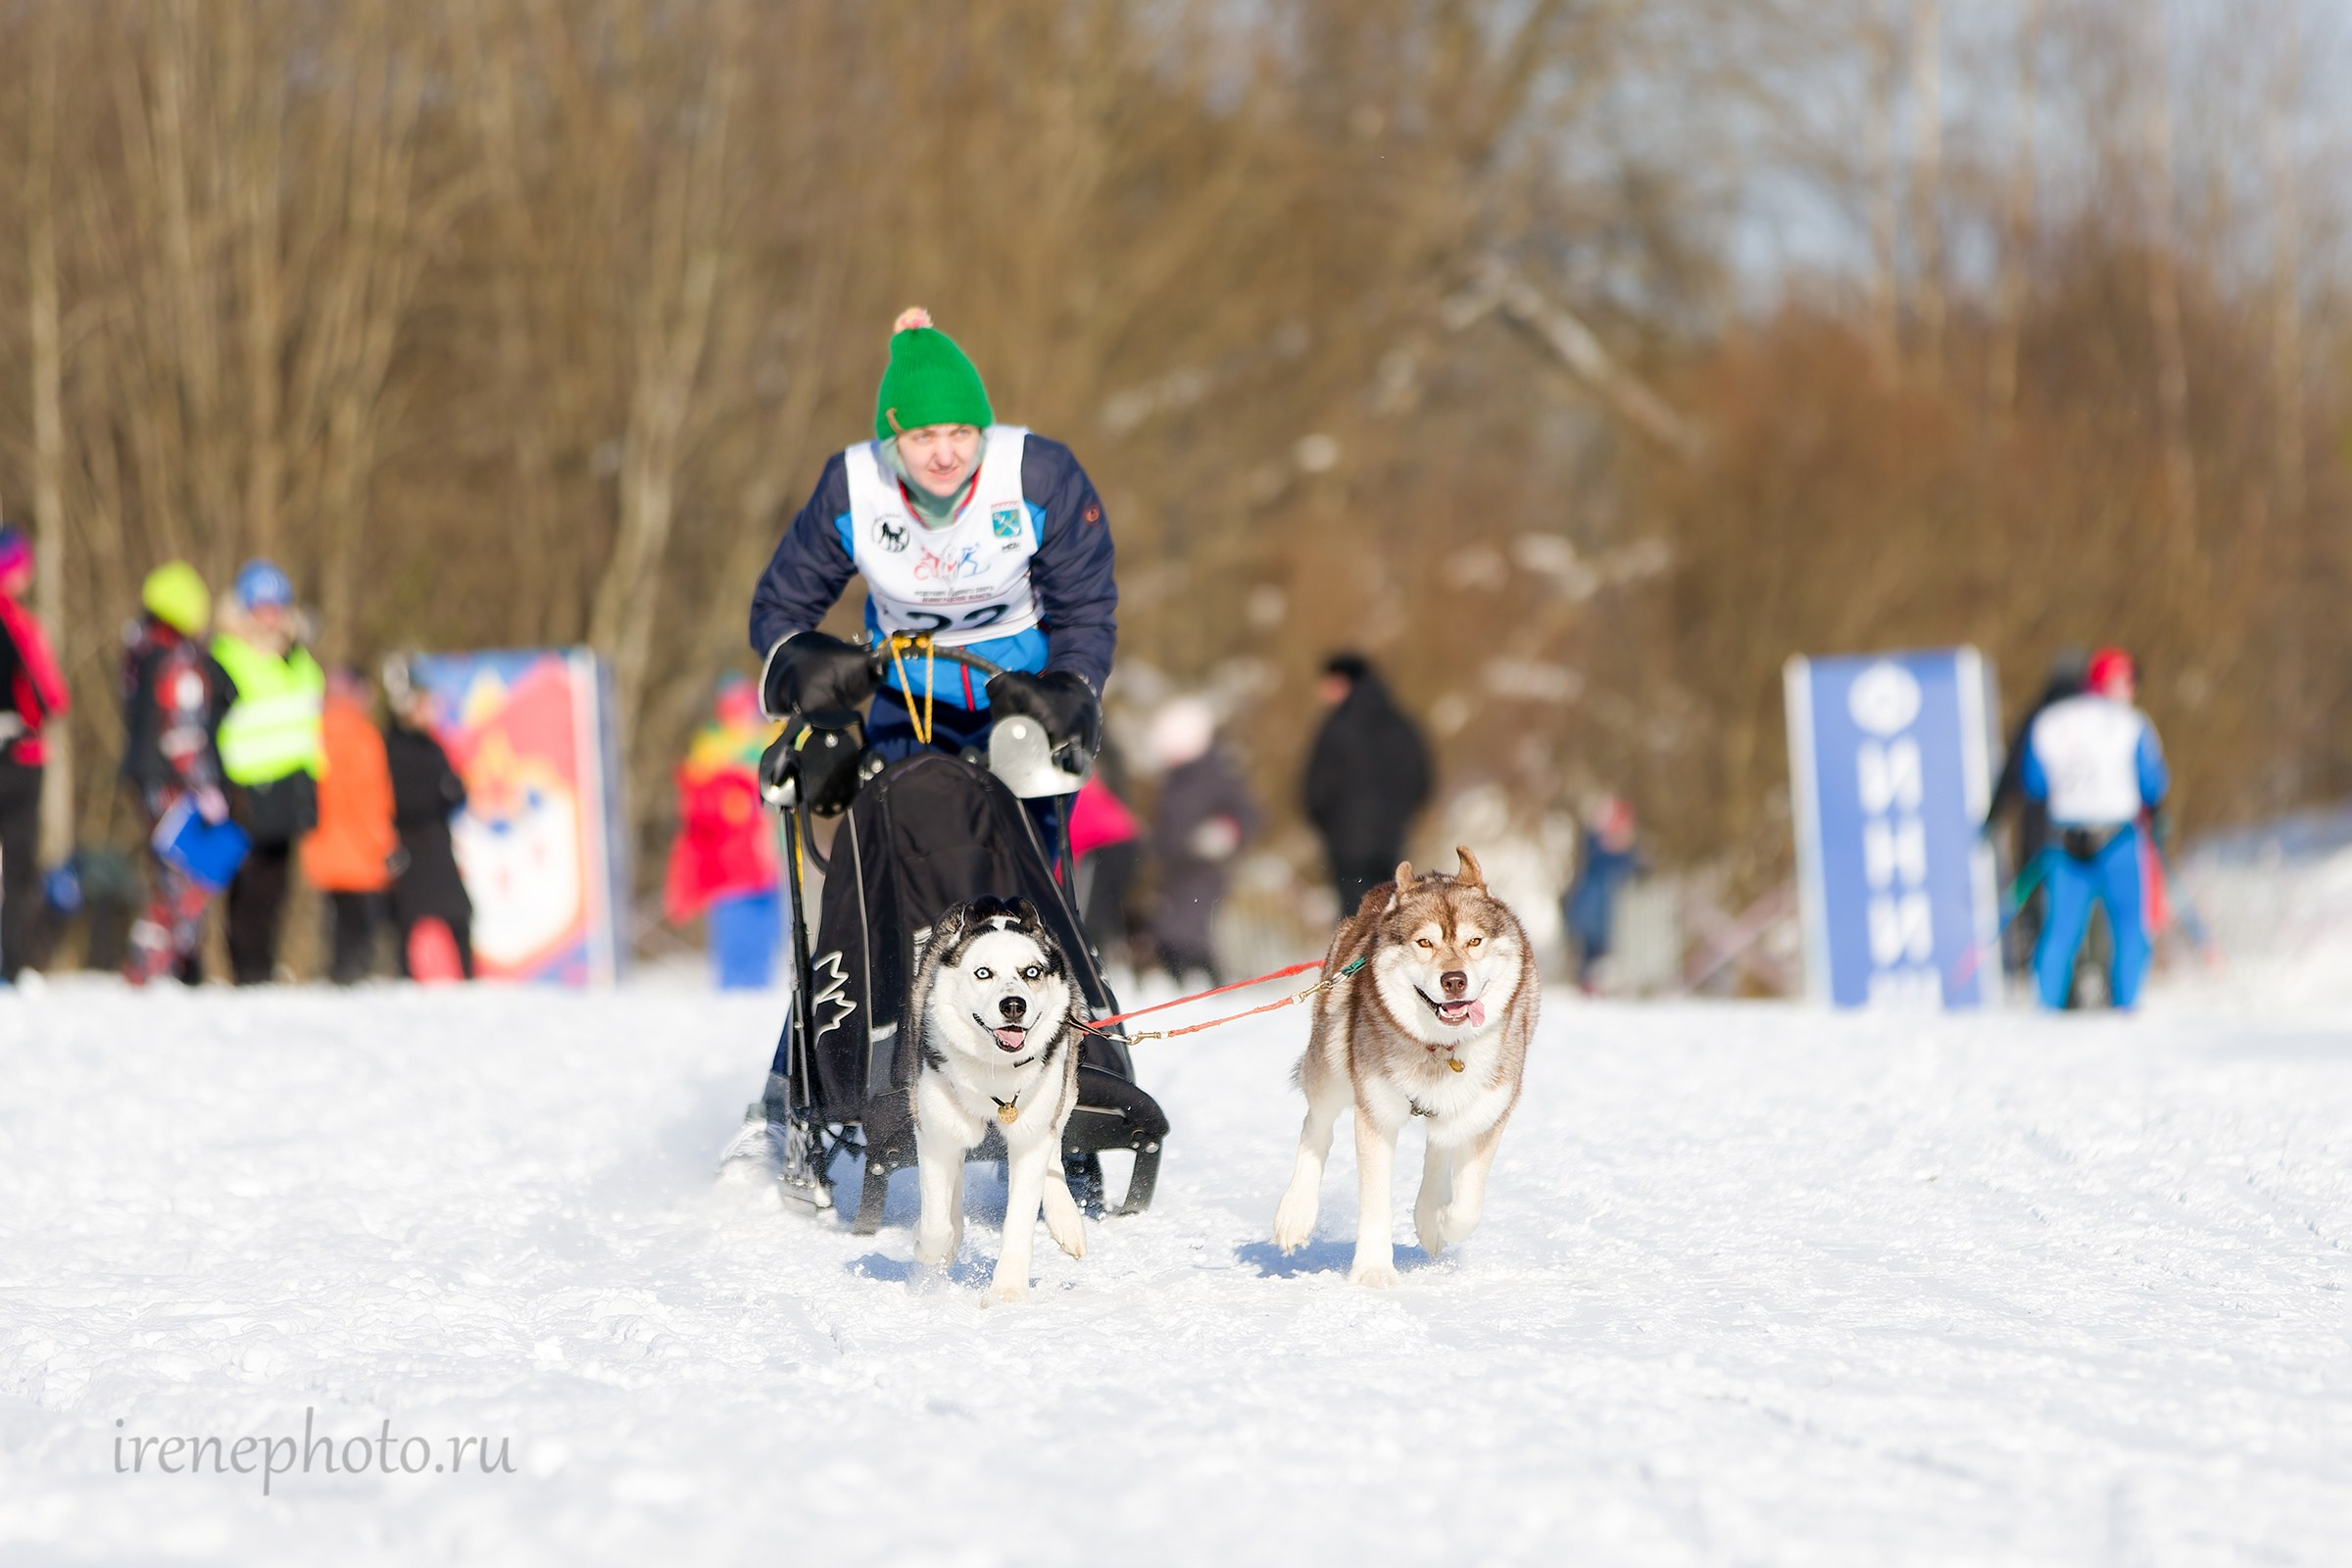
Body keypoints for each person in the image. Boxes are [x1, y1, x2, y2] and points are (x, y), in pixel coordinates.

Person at [747, 307, 1113, 780]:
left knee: (1023, 849)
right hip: (908, 704)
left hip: (1024, 700)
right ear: (892, 440)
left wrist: (1073, 684)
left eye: (961, 432)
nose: (946, 456)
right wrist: (799, 660)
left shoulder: (1038, 477)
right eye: (923, 437)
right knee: (903, 841)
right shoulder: (853, 490)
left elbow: (1085, 608)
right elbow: (779, 604)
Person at [2021, 646, 2169, 1010]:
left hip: (2065, 838)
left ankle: (2047, 1008)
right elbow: (2153, 783)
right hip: (2117, 837)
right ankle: (2127, 1007)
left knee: (2060, 931)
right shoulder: (2131, 723)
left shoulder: (2049, 722)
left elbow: (2033, 782)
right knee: (2130, 929)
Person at [210, 560, 325, 984]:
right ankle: (247, 971)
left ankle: (265, 965)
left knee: (278, 889)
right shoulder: (226, 658)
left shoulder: (298, 659)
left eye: (277, 607)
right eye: (261, 607)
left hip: (289, 790)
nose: (270, 617)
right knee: (247, 891)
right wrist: (220, 786)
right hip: (245, 791)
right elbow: (211, 729)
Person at [118, 563, 233, 986]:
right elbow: (183, 733)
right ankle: (153, 970)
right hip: (172, 785)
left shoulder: (139, 654)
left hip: (146, 779)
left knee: (168, 877)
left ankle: (162, 969)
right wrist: (204, 788)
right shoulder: (178, 662)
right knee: (186, 881)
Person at [663, 674, 783, 989]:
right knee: (734, 930)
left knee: (765, 931)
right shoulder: (712, 743)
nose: (742, 714)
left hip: (764, 857)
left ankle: (757, 983)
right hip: (729, 862)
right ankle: (734, 985)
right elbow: (698, 800)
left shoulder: (765, 738)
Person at [1985, 649, 2087, 984]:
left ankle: (2040, 969)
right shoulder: (2094, 718)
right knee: (2080, 902)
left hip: (2040, 823)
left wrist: (1995, 815)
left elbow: (2013, 771)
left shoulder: (2038, 717)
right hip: (2087, 824)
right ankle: (2082, 970)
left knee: (2036, 896)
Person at [1304, 652, 1431, 909]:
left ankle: (1360, 953)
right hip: (1390, 839)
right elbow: (1422, 780)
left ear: (1343, 682)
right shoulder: (1400, 724)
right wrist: (1399, 817)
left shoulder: (1337, 727)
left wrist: (1327, 825)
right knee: (1387, 911)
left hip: (1346, 843)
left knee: (1354, 920)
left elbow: (1317, 786)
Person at [1148, 697, 1258, 984]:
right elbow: (1167, 824)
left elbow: (1247, 813)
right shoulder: (1174, 778)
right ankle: (1181, 978)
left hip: (1205, 865)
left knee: (1191, 925)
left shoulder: (1216, 773)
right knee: (1171, 926)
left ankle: (1208, 981)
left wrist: (1225, 831)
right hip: (1175, 866)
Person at [0, 527, 70, 982]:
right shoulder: (19, 625)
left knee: (18, 865)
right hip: (20, 756)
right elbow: (51, 695)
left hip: (21, 751)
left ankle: (15, 959)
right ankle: (15, 959)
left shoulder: (22, 622)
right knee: (20, 864)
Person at [300, 666, 398, 984]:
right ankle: (352, 977)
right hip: (359, 847)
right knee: (360, 925)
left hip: (324, 843)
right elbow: (368, 797)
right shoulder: (362, 736)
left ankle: (340, 974)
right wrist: (383, 841)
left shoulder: (315, 731)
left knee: (338, 922)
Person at [380, 656, 474, 979]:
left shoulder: (432, 745)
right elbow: (400, 801)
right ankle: (405, 980)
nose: (429, 710)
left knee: (459, 915)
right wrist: (441, 795)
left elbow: (453, 788)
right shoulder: (393, 747)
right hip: (409, 845)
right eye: (422, 703)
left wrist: (453, 792)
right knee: (409, 919)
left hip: (437, 843)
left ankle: (467, 979)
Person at [1563, 796, 1642, 995]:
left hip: (1595, 910)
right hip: (1598, 911)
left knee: (1595, 951)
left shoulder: (1597, 847)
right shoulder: (1605, 852)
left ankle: (1592, 983)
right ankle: (1591, 983)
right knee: (1596, 949)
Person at [1068, 755, 1142, 970]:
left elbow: (1068, 844)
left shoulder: (1059, 792)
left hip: (1103, 844)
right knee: (1107, 908)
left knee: (1089, 909)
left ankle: (1096, 964)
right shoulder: (1073, 777)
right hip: (1122, 840)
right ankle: (1111, 958)